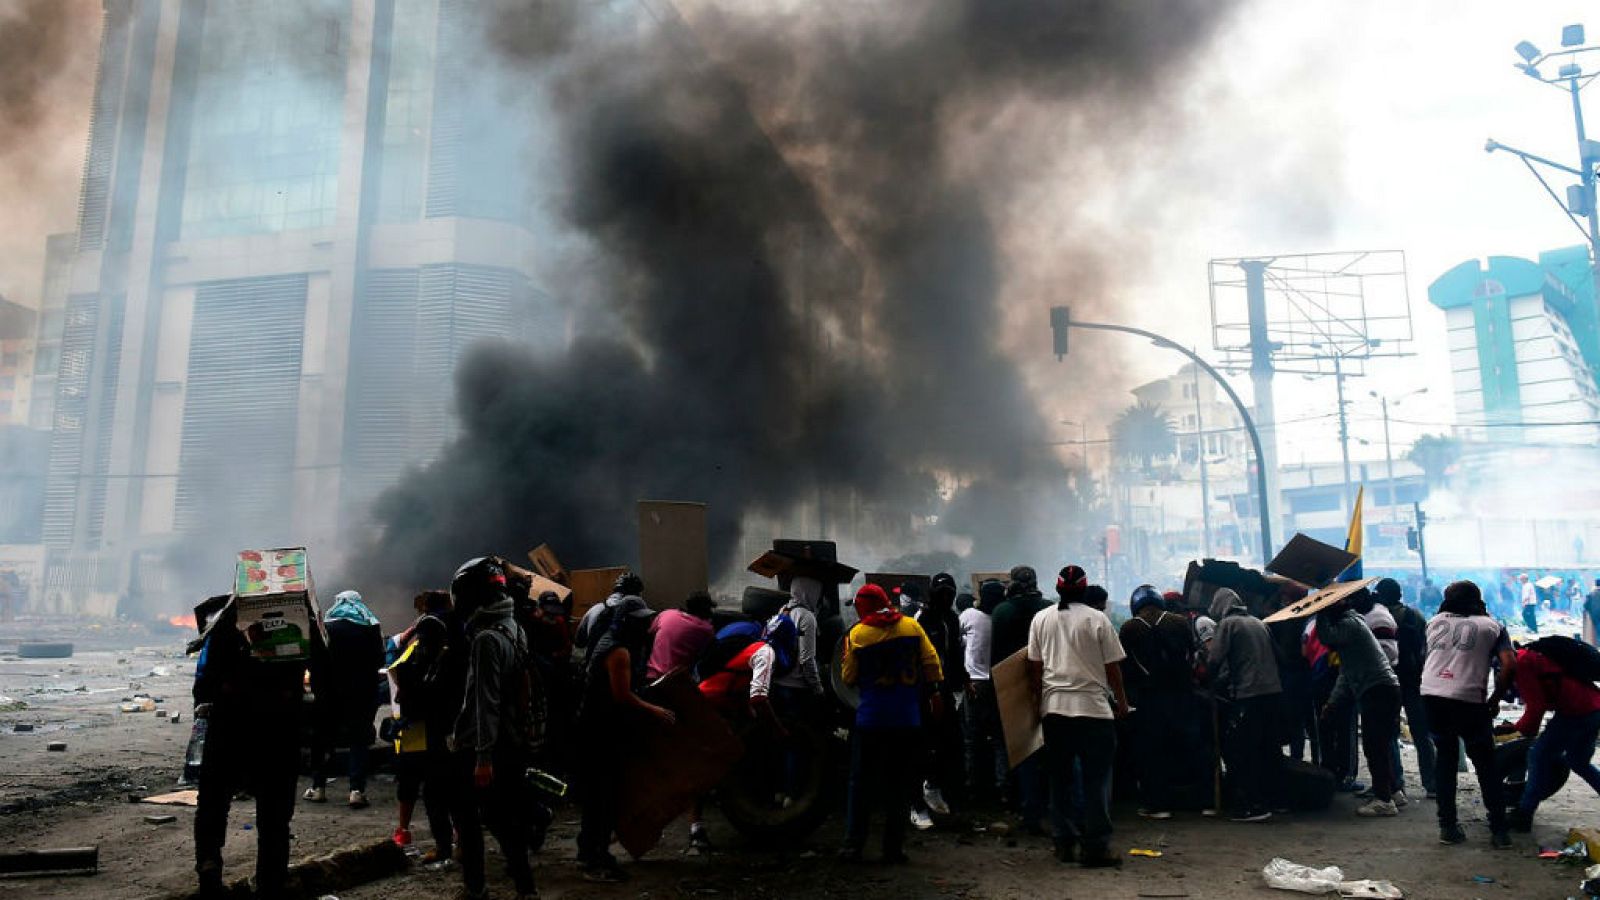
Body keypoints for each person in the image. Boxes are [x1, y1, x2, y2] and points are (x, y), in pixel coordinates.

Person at [192, 594, 327, 899]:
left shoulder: (226, 620)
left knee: (213, 808)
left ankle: (209, 870)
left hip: (228, 731)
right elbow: (319, 673)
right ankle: (270, 883)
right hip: (278, 735)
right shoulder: (299, 623)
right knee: (275, 819)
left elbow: (203, 684)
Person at [449, 558, 539, 900]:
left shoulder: (486, 638)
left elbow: (484, 702)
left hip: (484, 747)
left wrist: (482, 758)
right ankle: (525, 888)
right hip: (509, 741)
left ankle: (476, 888)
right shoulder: (513, 627)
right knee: (505, 820)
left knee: (469, 819)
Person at [1027, 565, 1128, 868]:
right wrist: (1122, 703)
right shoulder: (1098, 619)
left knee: (1060, 780)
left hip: (1055, 711)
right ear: (1085, 589)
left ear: (1058, 589)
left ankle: (1064, 842)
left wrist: (1036, 705)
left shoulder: (1041, 618)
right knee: (1097, 781)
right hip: (1094, 712)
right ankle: (1095, 847)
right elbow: (1113, 669)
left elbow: (1034, 668)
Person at [838, 583, 944, 864]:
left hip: (871, 719)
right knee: (898, 784)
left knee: (860, 783)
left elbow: (848, 677)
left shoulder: (858, 635)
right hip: (907, 720)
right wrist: (930, 692)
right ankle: (893, 849)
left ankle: (853, 846)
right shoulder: (912, 627)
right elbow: (932, 664)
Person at [576, 590, 675, 881]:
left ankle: (588, 852)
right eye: (638, 621)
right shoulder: (619, 651)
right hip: (599, 730)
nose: (643, 626)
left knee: (597, 797)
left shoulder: (609, 641)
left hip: (592, 727)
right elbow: (622, 695)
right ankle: (597, 861)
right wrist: (654, 710)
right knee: (604, 797)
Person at [1420, 580, 1513, 847]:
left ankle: (1448, 827)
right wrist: (1496, 699)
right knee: (1485, 763)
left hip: (1432, 695)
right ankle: (1499, 831)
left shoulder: (1435, 621)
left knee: (1445, 760)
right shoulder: (1492, 626)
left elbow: (1426, 658)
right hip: (1470, 699)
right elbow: (1509, 664)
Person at [1317, 592, 1403, 816]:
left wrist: (1319, 612)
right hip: (1383, 689)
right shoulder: (1354, 631)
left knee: (1375, 746)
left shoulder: (1349, 624)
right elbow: (1345, 676)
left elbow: (1326, 636)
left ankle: (1384, 801)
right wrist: (1332, 704)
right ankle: (1393, 791)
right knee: (1380, 745)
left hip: (1378, 691)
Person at [387, 590, 456, 853]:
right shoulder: (453, 642)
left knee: (413, 784)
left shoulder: (417, 648)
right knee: (441, 786)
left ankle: (405, 831)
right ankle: (455, 836)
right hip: (440, 730)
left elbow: (399, 680)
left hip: (416, 730)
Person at [1118, 584, 1195, 820]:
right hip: (1181, 696)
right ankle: (1193, 800)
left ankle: (1157, 803)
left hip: (1148, 700)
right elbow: (1191, 655)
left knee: (1151, 752)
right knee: (1184, 746)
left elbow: (1124, 666)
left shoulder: (1130, 628)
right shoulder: (1180, 623)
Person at [1207, 587, 1283, 822]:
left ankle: (1251, 806)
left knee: (1241, 751)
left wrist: (1208, 681)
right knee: (1267, 748)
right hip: (1272, 692)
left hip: (1247, 695)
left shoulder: (1228, 625)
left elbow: (1214, 660)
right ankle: (1274, 800)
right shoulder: (1259, 623)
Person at [1507, 639, 1600, 831]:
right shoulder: (1533, 654)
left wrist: (1519, 728)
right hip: (1594, 707)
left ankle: (1524, 814)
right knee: (1578, 761)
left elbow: (1536, 708)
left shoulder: (1522, 663)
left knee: (1538, 755)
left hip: (1575, 712)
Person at [305, 590, 384, 809]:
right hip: (361, 696)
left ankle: (318, 788)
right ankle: (356, 791)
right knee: (359, 741)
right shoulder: (371, 625)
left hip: (328, 695)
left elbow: (314, 660)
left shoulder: (326, 627)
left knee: (322, 739)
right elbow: (379, 659)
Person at [989, 566, 1053, 832]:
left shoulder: (1002, 611)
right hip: (1050, 684)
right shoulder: (1049, 608)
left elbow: (996, 655)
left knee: (1023, 752)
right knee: (1051, 751)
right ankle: (1055, 808)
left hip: (1014, 685)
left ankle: (1028, 812)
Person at [1376, 578, 1435, 799]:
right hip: (1414, 680)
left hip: (1389, 680)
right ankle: (1432, 783)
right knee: (1422, 733)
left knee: (1390, 734)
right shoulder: (1415, 616)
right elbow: (1426, 648)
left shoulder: (1378, 617)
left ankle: (1397, 784)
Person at [914, 572, 966, 821]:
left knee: (950, 743)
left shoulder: (952, 619)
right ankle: (925, 792)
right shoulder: (922, 619)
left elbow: (954, 653)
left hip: (947, 690)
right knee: (927, 743)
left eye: (950, 594)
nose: (947, 598)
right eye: (942, 593)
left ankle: (944, 793)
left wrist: (962, 681)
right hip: (926, 690)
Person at [960, 578, 1007, 805]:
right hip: (997, 682)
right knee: (999, 738)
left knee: (972, 738)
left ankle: (973, 788)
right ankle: (1002, 789)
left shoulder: (969, 615)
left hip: (975, 684)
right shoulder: (1002, 619)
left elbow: (957, 641)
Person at [645, 590, 716, 681]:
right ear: (705, 610)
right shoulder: (705, 629)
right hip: (675, 681)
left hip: (650, 675)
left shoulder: (667, 613)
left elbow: (650, 634)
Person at [1584, 579, 1600, 647]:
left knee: (1597, 630)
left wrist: (1591, 611)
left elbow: (1586, 605)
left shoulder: (1591, 594)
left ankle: (1598, 643)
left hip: (1595, 615)